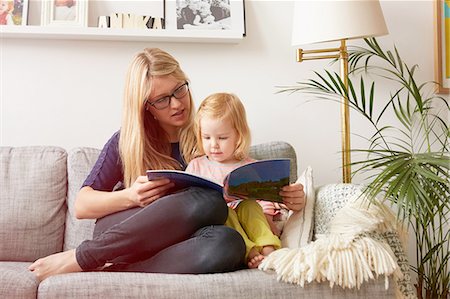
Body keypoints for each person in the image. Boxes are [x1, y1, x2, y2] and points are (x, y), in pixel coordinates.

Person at [28, 48, 305, 281]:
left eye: (179, 90)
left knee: (228, 243)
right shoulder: (127, 141)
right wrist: (129, 196)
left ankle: (120, 271)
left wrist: (289, 197)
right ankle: (85, 257)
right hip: (125, 232)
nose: (176, 104)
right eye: (162, 99)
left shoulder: (206, 137)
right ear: (145, 105)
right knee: (207, 202)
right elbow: (82, 205)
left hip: (180, 245)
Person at [185, 93, 301, 268]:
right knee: (226, 212)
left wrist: (268, 219)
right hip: (222, 222)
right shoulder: (196, 166)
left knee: (251, 205)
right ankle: (250, 252)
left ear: (238, 135)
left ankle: (268, 246)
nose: (214, 144)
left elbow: (265, 199)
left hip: (250, 219)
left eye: (222, 138)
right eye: (206, 137)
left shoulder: (251, 167)